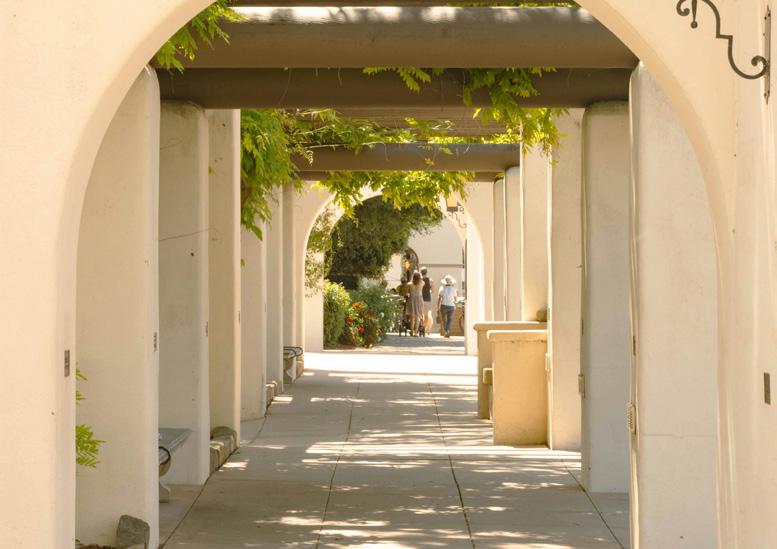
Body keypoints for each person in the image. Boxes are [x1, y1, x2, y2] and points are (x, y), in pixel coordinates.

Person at [408, 271, 425, 336]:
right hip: (419, 299)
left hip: (412, 299)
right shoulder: (422, 283)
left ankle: (412, 331)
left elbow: (409, 291)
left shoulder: (410, 284)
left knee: (412, 317)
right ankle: (416, 332)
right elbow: (422, 281)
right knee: (417, 317)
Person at [420, 267, 434, 333]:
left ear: (421, 272)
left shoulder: (419, 280)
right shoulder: (430, 280)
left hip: (420, 299)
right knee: (426, 315)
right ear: (426, 272)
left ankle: (420, 327)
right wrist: (428, 292)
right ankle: (424, 328)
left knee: (420, 314)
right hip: (427, 299)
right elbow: (433, 290)